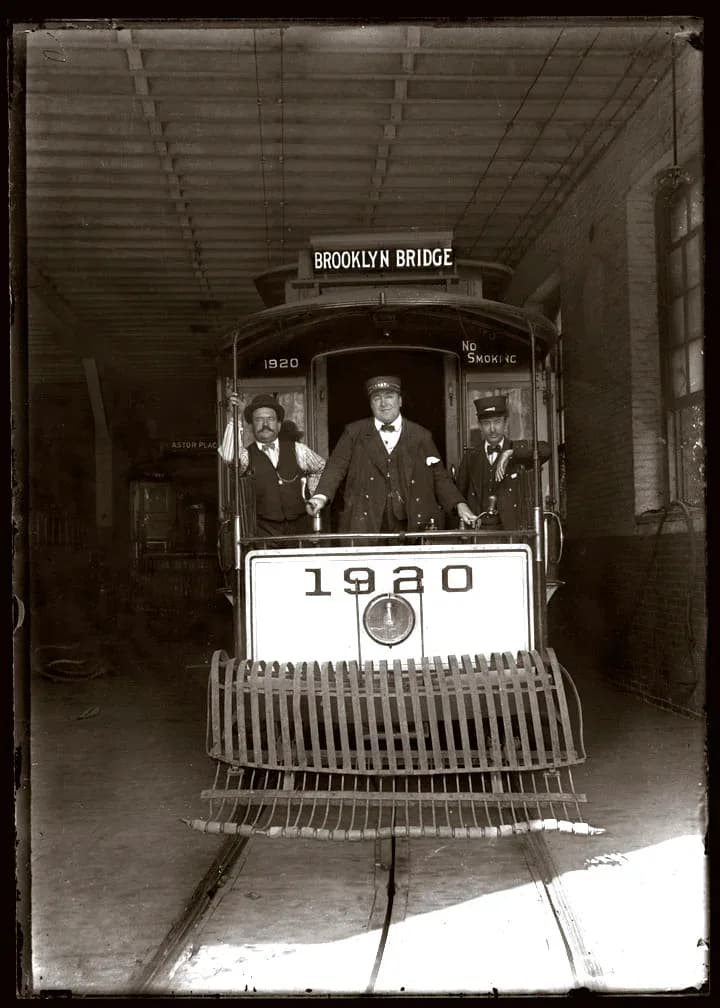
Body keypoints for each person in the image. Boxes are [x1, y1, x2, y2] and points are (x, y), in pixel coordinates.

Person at [306, 376, 477, 533]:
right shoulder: (353, 433)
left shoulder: (421, 435)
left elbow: (439, 477)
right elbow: (336, 467)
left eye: (389, 396)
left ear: (400, 401)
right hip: (366, 524)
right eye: (377, 398)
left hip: (412, 523)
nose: (383, 403)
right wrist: (321, 497)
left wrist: (459, 505)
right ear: (371, 404)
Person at [218, 392, 326, 539]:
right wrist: (236, 417)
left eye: (270, 419)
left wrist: (313, 495)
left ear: (279, 425)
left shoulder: (297, 449)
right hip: (263, 534)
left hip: (301, 532)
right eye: (259, 420)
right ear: (251, 426)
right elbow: (229, 455)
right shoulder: (245, 456)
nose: (265, 424)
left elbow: (321, 468)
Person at [456, 395, 550, 530]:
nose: (492, 428)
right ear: (480, 426)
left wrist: (511, 453)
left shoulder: (519, 452)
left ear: (506, 423)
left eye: (497, 422)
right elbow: (460, 497)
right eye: (487, 423)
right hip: (477, 534)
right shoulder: (470, 457)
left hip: (510, 534)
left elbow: (546, 449)